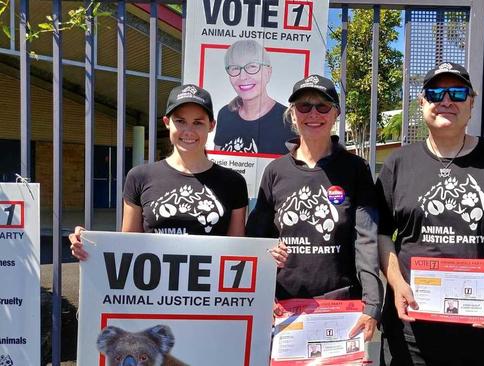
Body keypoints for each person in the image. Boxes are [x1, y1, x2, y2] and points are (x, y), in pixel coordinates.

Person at [376, 62, 484, 365]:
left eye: (456, 92)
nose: (446, 101)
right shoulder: (399, 162)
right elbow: (380, 234)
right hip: (410, 332)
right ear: (422, 102)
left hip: (480, 330)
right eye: (435, 93)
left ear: (471, 102)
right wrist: (396, 283)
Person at [246, 75, 384, 342]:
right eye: (304, 106)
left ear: (336, 114)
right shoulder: (275, 171)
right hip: (284, 308)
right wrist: (266, 258)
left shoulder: (355, 169)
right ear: (293, 115)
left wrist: (372, 304)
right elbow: (255, 240)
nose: (313, 113)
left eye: (323, 106)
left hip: (341, 306)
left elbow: (366, 240)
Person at [70, 84, 248, 260]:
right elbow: (127, 247)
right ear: (166, 123)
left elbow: (237, 254)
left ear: (211, 125)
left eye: (198, 123)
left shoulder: (233, 182)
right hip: (152, 286)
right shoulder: (139, 177)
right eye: (180, 121)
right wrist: (90, 244)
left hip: (210, 287)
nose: (188, 131)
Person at [213, 39, 296, 154]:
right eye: (235, 68)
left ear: (268, 72)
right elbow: (217, 160)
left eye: (252, 66)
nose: (243, 76)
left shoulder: (288, 120)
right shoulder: (225, 114)